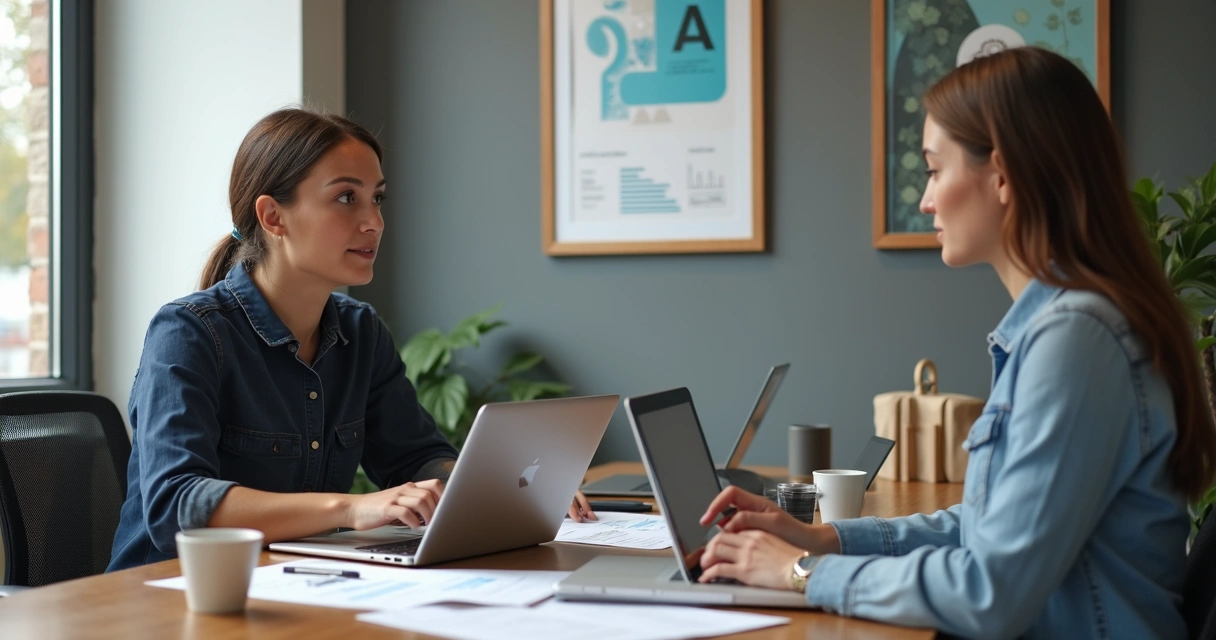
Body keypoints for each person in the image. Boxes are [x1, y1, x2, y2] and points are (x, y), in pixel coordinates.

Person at [693, 47, 1216, 639]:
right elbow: (986, 527)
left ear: (1003, 175)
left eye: (935, 170)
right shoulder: (1066, 329)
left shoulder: (1078, 341)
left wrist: (799, 572)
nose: (925, 200)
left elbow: (991, 592)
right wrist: (822, 538)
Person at [109, 108, 596, 571]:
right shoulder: (188, 332)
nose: (374, 222)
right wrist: (352, 508)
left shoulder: (360, 331)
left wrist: (504, 490)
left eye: (377, 198)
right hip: (166, 596)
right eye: (346, 198)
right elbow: (176, 505)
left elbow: (414, 458)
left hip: (293, 584)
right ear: (274, 217)